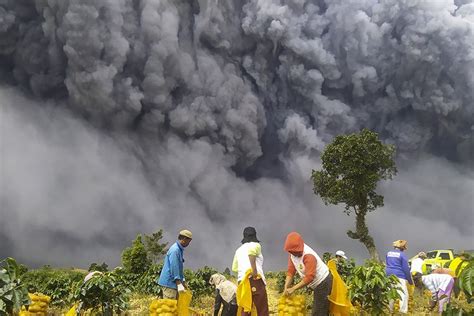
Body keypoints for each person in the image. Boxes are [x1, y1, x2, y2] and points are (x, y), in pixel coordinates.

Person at [283, 232, 332, 316]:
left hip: (323, 282)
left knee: (318, 311)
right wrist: (286, 286)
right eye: (291, 252)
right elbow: (291, 271)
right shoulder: (292, 254)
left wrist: (293, 288)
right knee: (321, 308)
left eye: (294, 252)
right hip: (316, 284)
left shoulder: (309, 256)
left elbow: (309, 277)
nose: (293, 254)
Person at [232, 227, 269, 316]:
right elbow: (251, 253)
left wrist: (242, 277)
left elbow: (234, 268)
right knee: (261, 309)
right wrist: (254, 271)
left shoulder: (238, 250)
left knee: (246, 308)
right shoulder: (255, 245)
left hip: (242, 282)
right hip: (255, 279)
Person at [157, 229, 192, 299]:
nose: (188, 244)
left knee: (174, 305)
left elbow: (179, 267)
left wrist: (183, 280)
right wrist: (178, 283)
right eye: (189, 241)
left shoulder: (179, 249)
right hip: (169, 283)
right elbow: (174, 267)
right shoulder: (175, 250)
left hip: (173, 283)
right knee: (170, 306)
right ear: (184, 239)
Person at [386, 239, 413, 314]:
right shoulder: (402, 255)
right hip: (399, 276)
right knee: (403, 294)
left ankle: (390, 311)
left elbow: (388, 264)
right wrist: (410, 281)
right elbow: (406, 269)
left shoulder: (388, 253)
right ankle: (403, 312)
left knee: (391, 293)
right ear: (402, 248)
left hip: (388, 275)